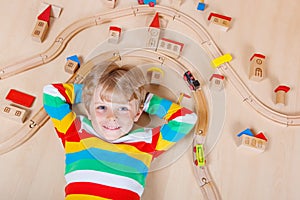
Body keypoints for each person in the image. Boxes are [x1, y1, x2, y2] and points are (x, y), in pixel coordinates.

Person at [43, 62, 198, 200]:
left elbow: (186, 119)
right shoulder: (75, 131)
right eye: (101, 107)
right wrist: (93, 92)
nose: (112, 117)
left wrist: (143, 101)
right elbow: (51, 94)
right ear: (89, 111)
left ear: (137, 113)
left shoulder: (146, 142)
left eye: (123, 108)